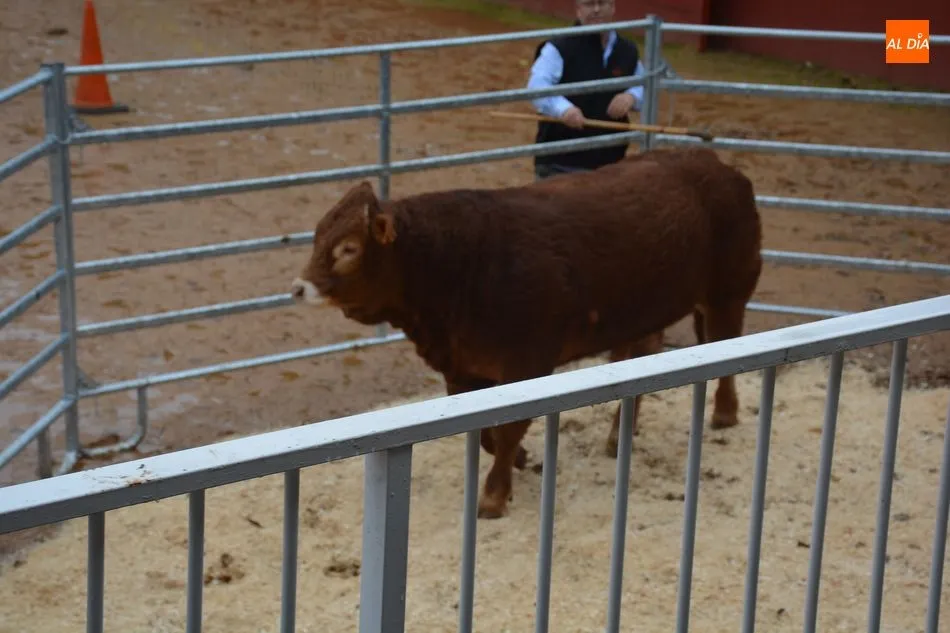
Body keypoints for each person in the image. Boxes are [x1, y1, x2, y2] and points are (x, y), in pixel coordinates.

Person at [526, 0, 646, 180]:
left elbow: (643, 84)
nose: (596, 9)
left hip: (611, 164)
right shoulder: (559, 47)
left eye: (602, 3)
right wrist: (563, 109)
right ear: (578, 10)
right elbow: (537, 86)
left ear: (612, 7)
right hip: (560, 163)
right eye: (589, 4)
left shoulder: (627, 50)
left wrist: (632, 96)